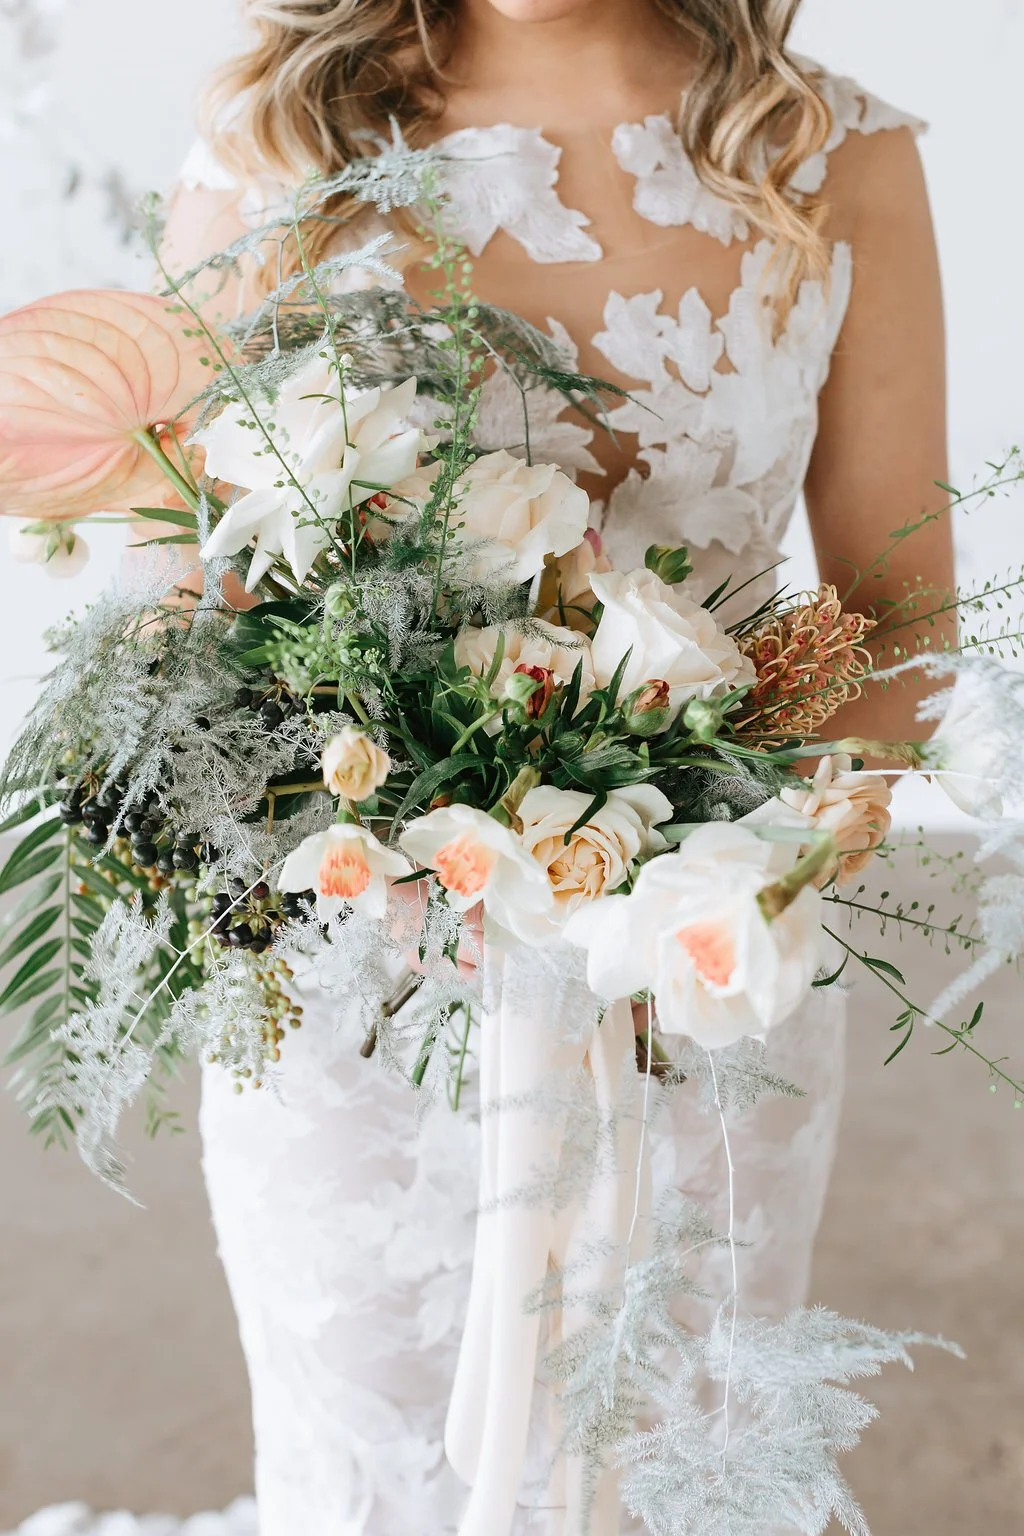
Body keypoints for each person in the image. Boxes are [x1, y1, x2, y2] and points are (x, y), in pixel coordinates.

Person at [162, 2, 955, 1531]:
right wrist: (379, 834)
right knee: (370, 1471)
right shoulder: (276, 144)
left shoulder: (832, 156)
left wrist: (759, 871)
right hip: (356, 965)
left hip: (703, 969)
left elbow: (895, 612)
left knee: (669, 1472)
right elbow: (200, 601)